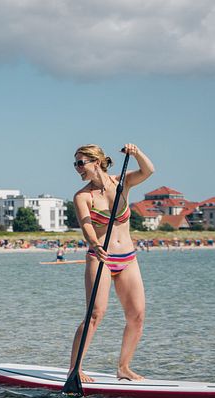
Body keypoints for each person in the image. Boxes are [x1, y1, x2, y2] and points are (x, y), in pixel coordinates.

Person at [68, 143, 154, 383]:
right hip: (100, 258)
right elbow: (86, 224)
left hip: (128, 258)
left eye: (80, 162)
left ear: (96, 162)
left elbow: (149, 171)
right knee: (95, 314)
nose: (77, 168)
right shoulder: (82, 196)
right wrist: (94, 243)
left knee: (136, 315)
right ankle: (74, 369)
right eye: (75, 163)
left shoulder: (122, 183)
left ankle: (124, 368)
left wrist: (136, 153)